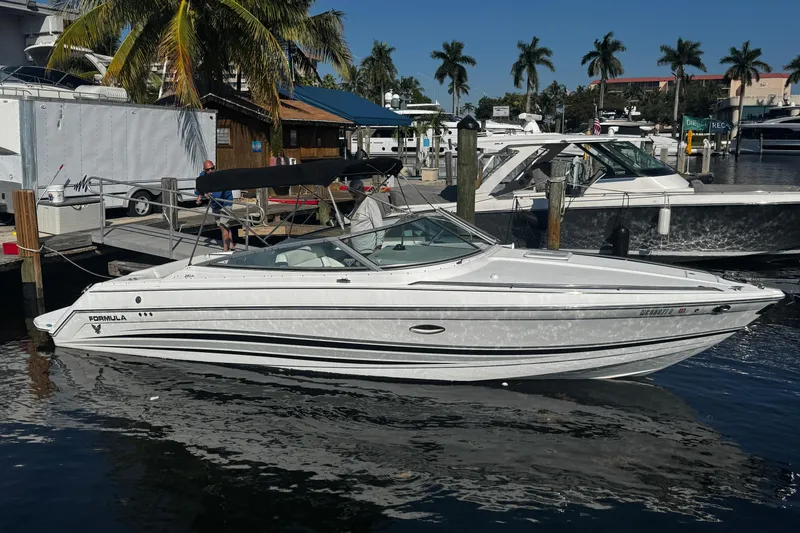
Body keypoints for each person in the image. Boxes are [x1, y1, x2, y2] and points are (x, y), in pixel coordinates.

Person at [196, 160, 235, 252]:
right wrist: (200, 195)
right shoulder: (203, 176)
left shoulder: (220, 178)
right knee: (224, 226)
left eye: (212, 168)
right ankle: (231, 245)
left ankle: (225, 250)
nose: (210, 171)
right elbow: (198, 188)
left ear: (215, 167)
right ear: (204, 170)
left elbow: (217, 196)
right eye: (208, 169)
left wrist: (207, 195)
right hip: (215, 205)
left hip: (226, 203)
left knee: (223, 225)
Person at [347, 179, 384, 255]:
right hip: (355, 250)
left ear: (361, 190)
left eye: (356, 193)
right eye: (351, 193)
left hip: (367, 250)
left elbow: (379, 226)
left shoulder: (370, 203)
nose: (353, 196)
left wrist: (378, 246)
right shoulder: (356, 203)